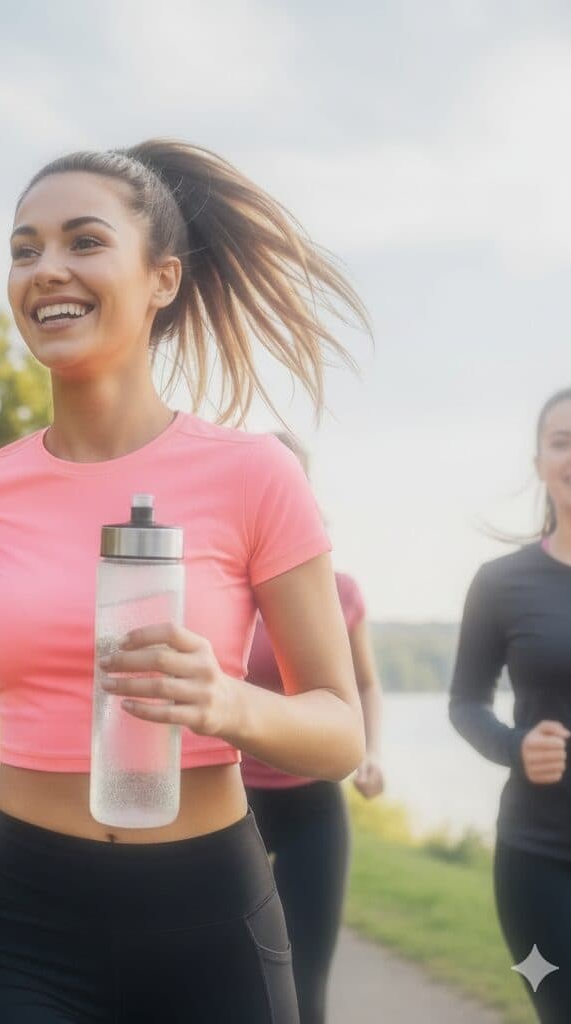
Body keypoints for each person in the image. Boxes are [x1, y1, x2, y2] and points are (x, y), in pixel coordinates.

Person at [0, 140, 369, 1024]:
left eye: (83, 242)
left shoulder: (256, 475)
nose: (46, 269)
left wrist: (224, 703)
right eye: (24, 250)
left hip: (209, 912)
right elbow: (0, 685)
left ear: (163, 279)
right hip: (22, 913)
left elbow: (339, 731)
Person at [449, 382, 571, 1023]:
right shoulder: (503, 583)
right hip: (542, 863)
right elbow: (465, 702)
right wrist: (515, 747)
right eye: (562, 442)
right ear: (539, 464)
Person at [242, 433, 384, 1024]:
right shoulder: (218, 589)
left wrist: (371, 753)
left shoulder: (339, 589)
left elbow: (365, 684)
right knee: (230, 975)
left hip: (313, 808)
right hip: (228, 806)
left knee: (305, 986)